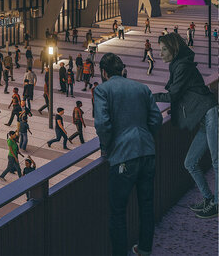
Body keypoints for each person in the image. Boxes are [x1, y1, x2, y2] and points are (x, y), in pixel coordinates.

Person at [93, 53, 162, 255]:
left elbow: (102, 124)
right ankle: (144, 249)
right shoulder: (142, 88)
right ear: (121, 69)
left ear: (104, 72)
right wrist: (145, 138)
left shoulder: (102, 90)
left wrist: (107, 147)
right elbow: (156, 119)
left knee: (118, 212)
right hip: (147, 152)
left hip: (123, 157)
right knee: (147, 205)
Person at [152, 33, 218, 218]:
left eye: (164, 49)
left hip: (210, 112)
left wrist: (149, 96)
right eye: (160, 50)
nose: (161, 54)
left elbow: (173, 95)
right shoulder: (179, 64)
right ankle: (209, 198)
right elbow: (183, 93)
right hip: (203, 116)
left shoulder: (182, 66)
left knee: (216, 161)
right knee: (190, 162)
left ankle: (216, 204)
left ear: (173, 48)